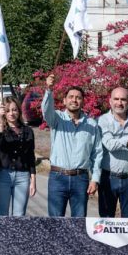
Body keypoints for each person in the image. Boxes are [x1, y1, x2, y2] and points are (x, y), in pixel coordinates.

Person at [41, 74, 102, 217]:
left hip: (80, 179)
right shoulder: (56, 119)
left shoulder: (92, 125)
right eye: (71, 97)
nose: (74, 100)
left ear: (83, 101)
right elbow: (46, 111)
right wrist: (49, 90)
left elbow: (97, 153)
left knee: (79, 224)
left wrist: (95, 179)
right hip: (57, 178)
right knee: (55, 223)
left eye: (78, 97)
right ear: (64, 100)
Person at [97, 87, 128, 218]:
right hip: (108, 178)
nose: (119, 103)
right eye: (116, 99)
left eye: (123, 99)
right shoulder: (103, 120)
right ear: (110, 101)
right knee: (106, 221)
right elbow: (110, 145)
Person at [0, 96, 36, 216]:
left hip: (23, 177)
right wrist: (0, 119)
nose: (11, 113)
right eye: (7, 110)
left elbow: (31, 156)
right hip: (2, 175)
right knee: (1, 216)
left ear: (19, 111)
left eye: (14, 110)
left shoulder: (27, 131)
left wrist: (33, 180)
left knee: (19, 216)